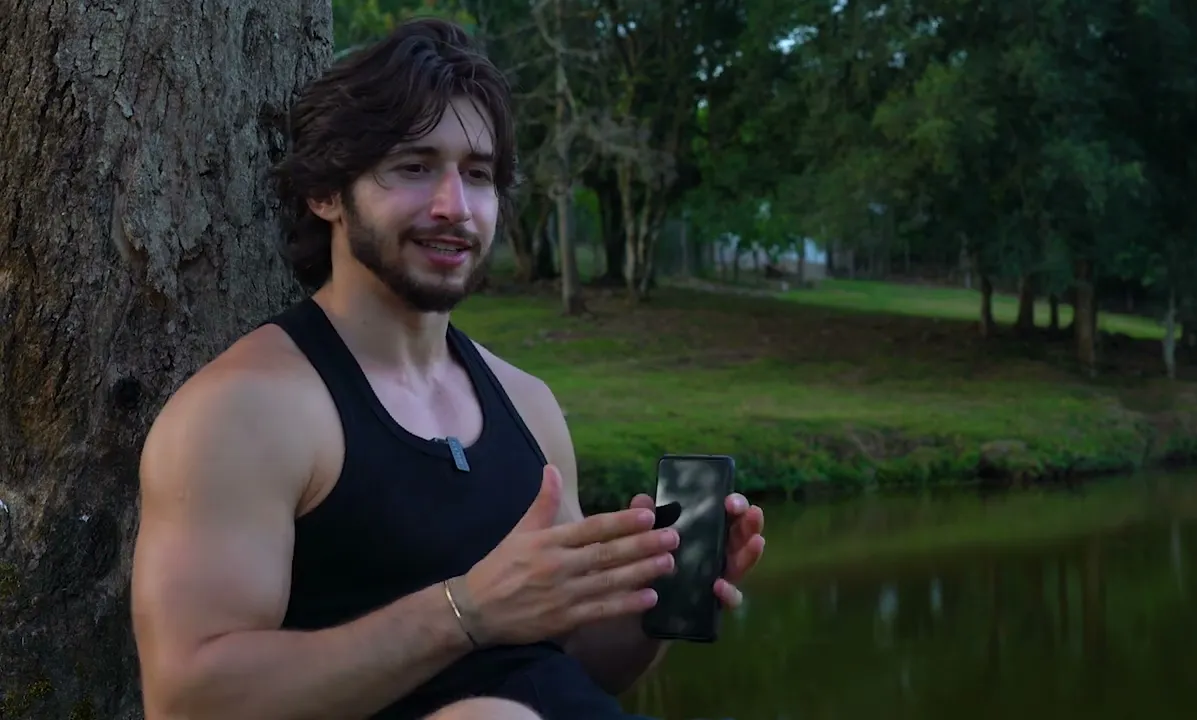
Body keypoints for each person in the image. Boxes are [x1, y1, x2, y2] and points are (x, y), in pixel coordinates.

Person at [128, 16, 766, 720]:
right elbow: (186, 700)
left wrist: (660, 597)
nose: (453, 207)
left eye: (478, 174)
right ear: (327, 193)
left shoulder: (528, 405)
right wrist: (468, 610)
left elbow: (575, 664)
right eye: (414, 166)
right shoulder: (244, 411)